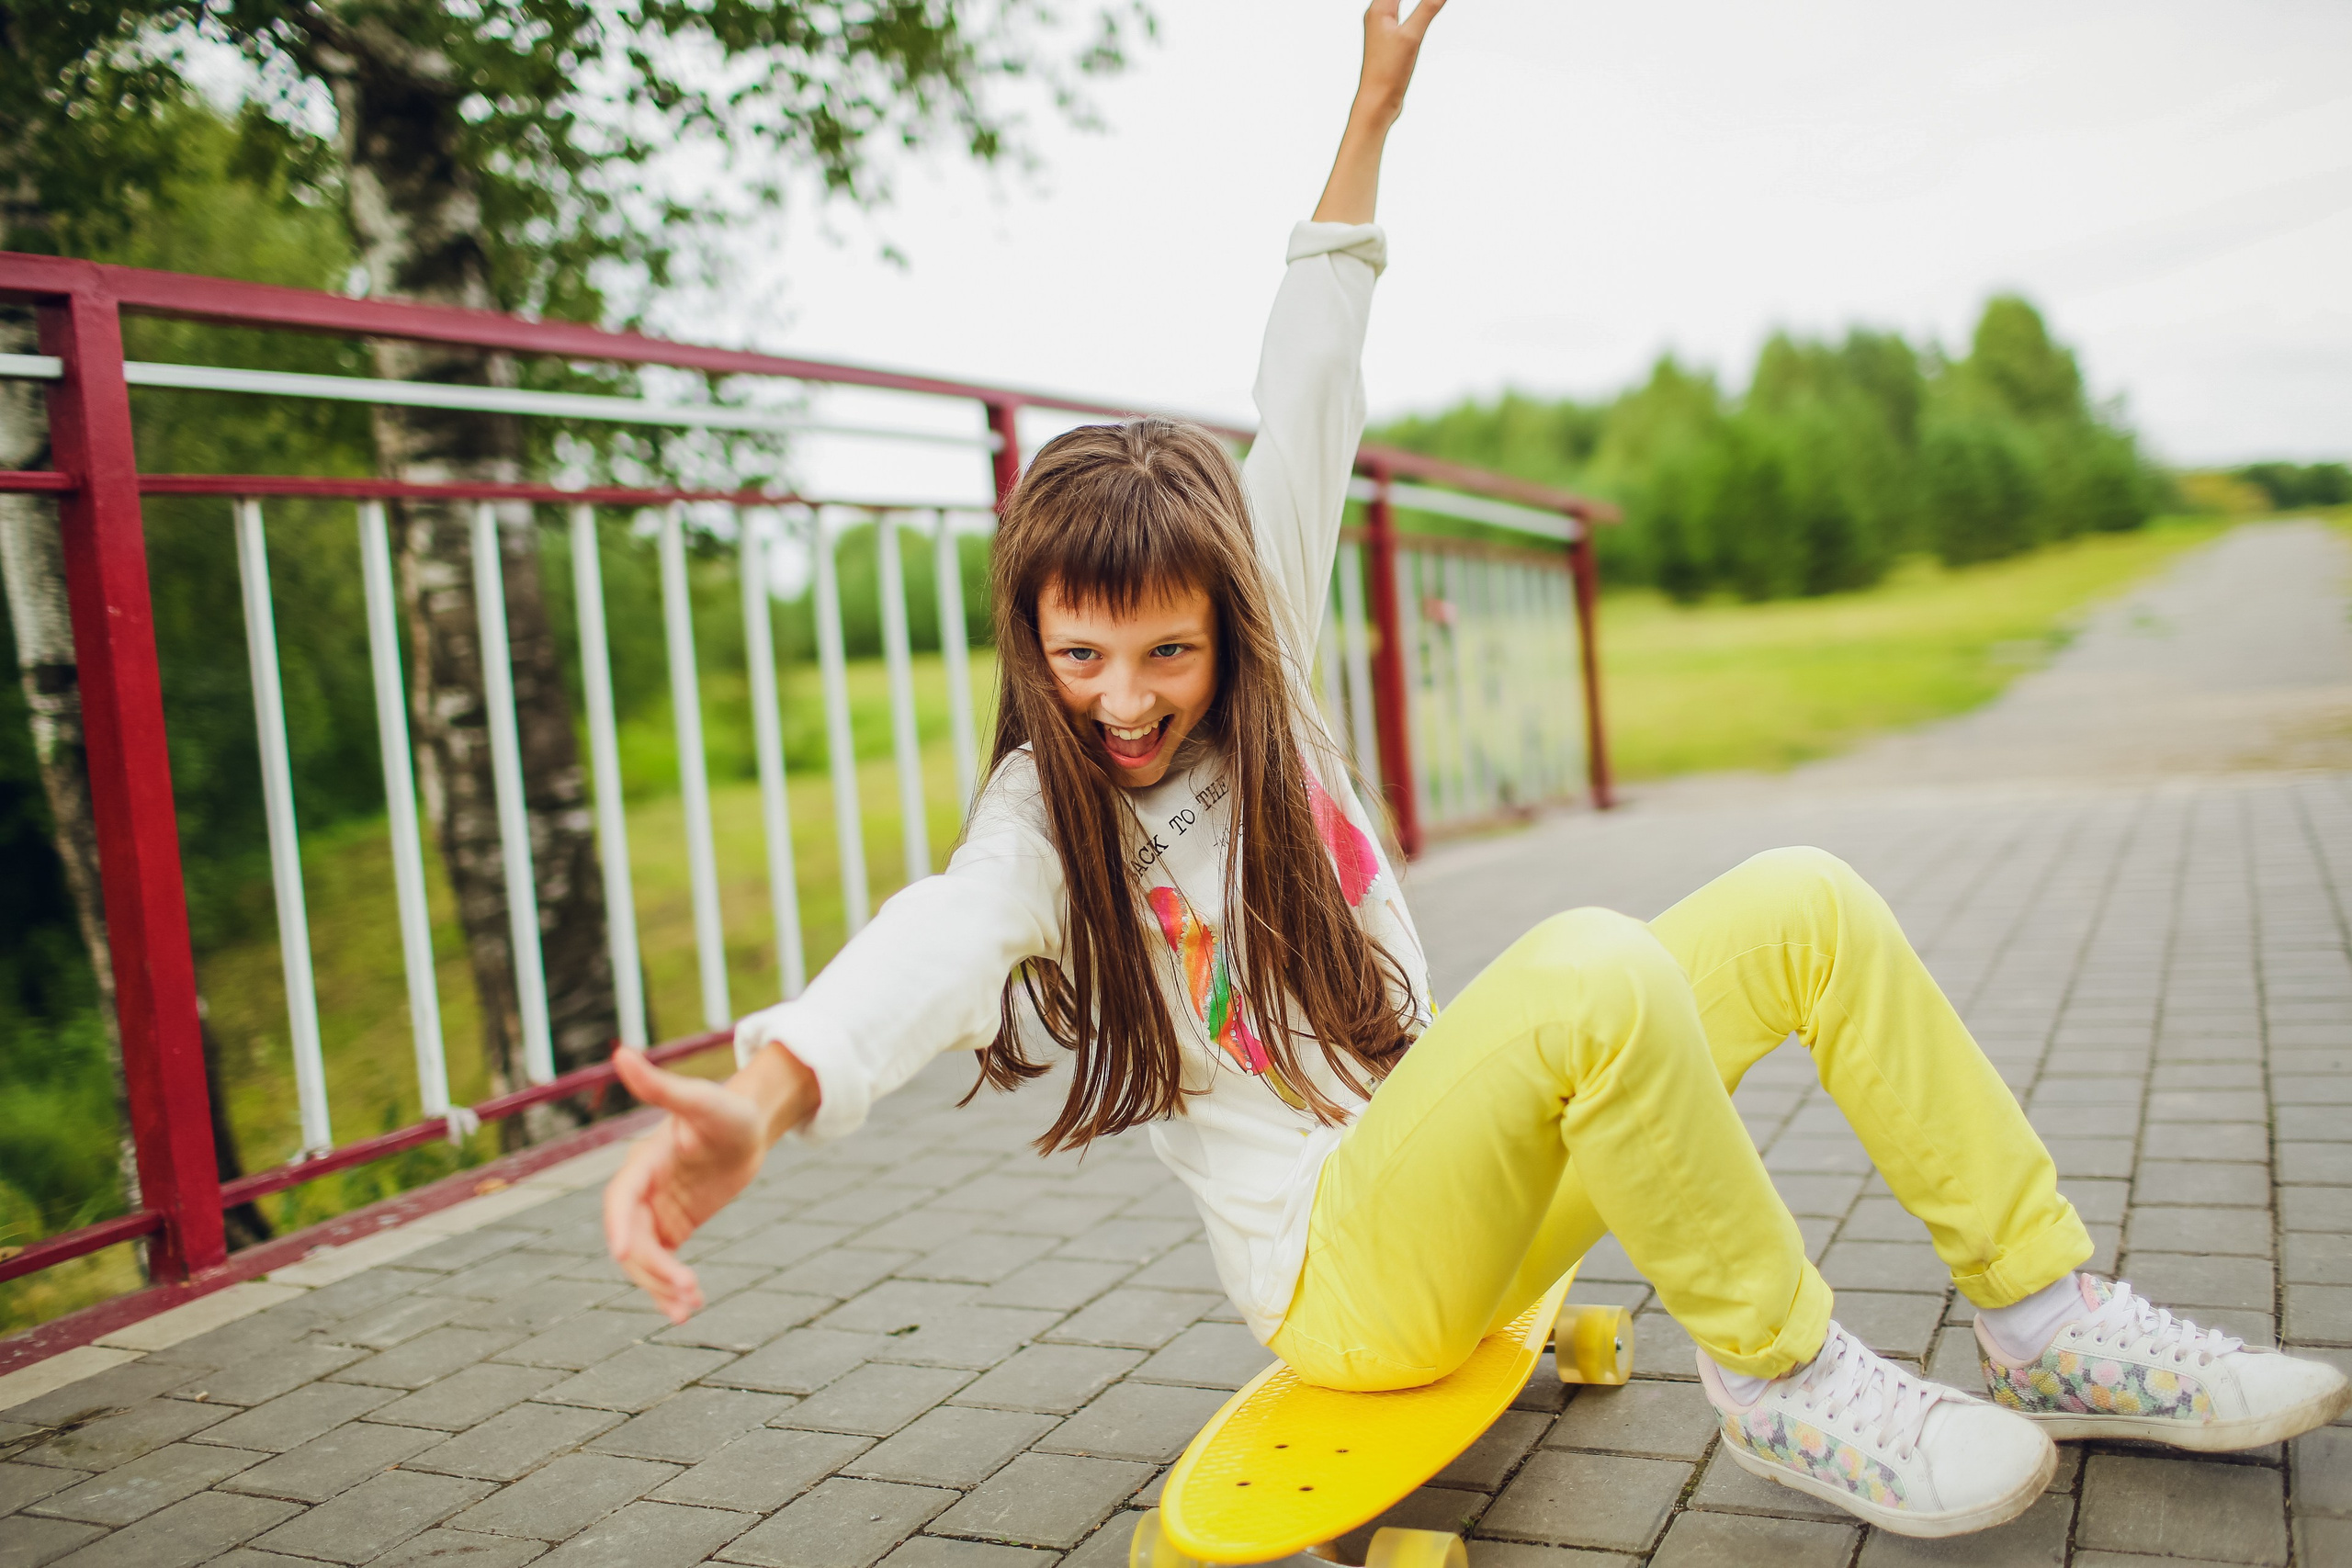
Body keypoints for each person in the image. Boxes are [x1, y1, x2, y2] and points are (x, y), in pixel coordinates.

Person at [605, 1, 2349, 1540]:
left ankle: (2048, 1318)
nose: (1123, 699)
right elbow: (930, 941)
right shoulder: (1041, 826)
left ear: (1229, 625)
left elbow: (1307, 392)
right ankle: (1783, 1376)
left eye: (1165, 653)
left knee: (1804, 904)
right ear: (1030, 651)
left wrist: (1369, 110)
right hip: (1348, 1281)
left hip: (1478, 1200)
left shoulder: (1268, 648)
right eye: (1078, 658)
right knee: (1590, 963)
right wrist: (765, 1094)